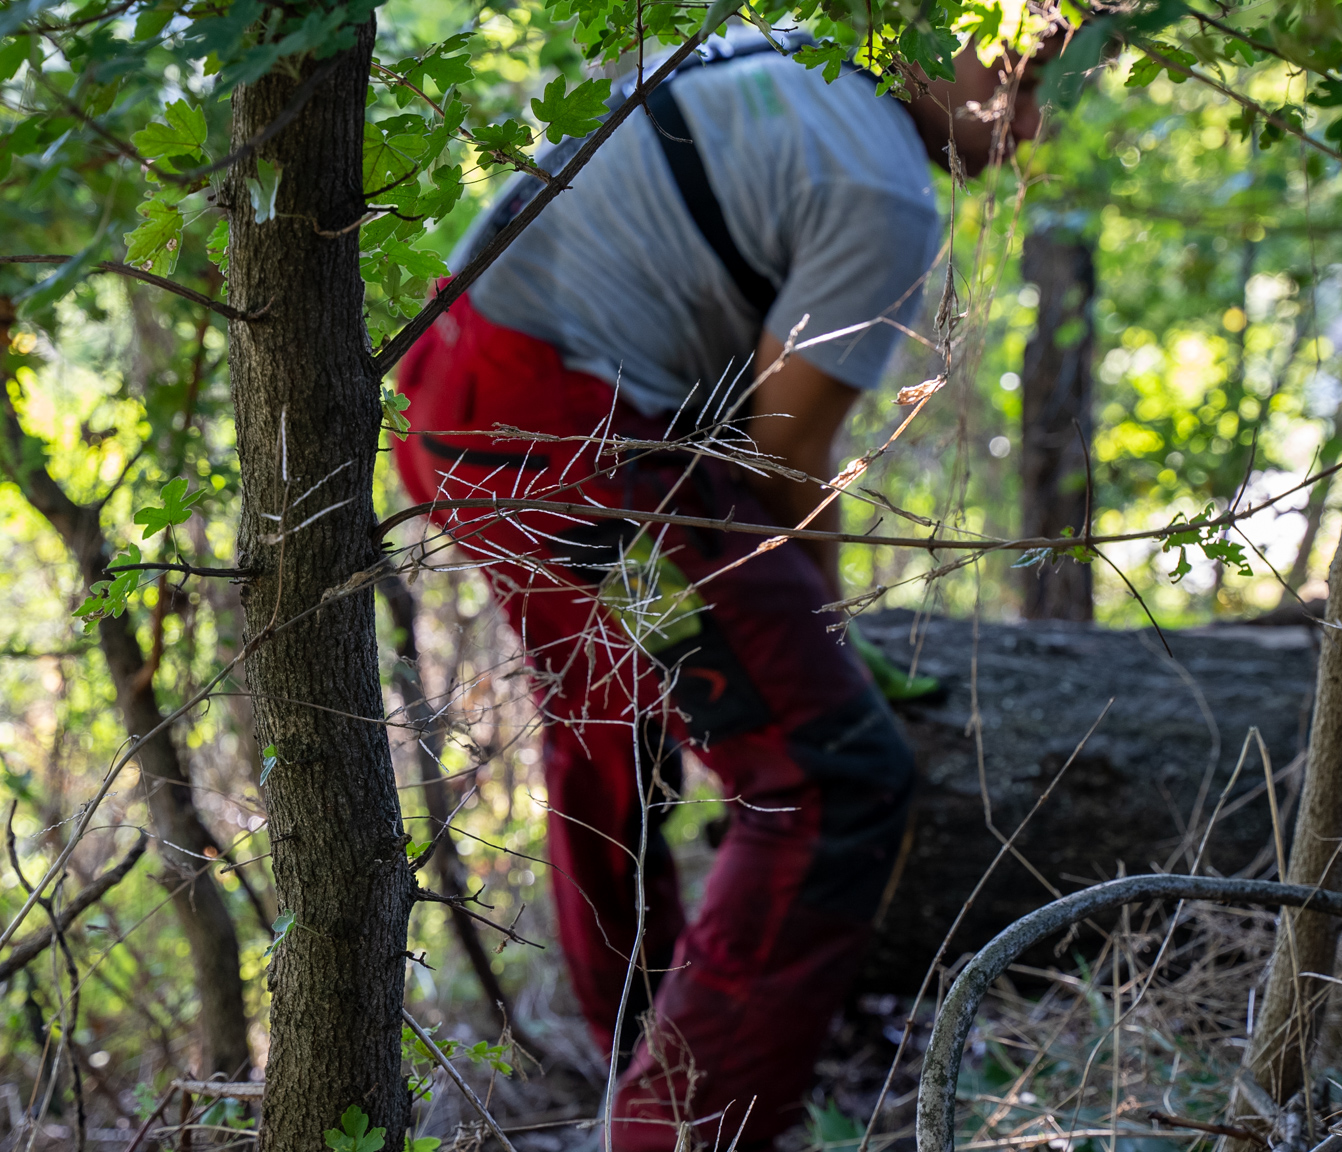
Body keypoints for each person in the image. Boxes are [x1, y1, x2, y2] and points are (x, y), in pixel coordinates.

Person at [394, 31, 1050, 1149]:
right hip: (563, 449)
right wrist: (822, 636)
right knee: (828, 773)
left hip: (454, 406)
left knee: (611, 723)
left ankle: (637, 1069)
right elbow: (785, 457)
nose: (1025, 128)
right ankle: (683, 1129)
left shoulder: (772, 52)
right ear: (942, 33)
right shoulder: (882, 186)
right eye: (1018, 82)